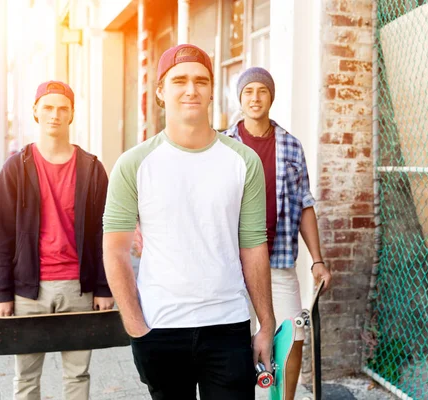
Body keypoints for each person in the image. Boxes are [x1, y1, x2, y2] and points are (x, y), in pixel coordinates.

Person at [102, 44, 275, 400]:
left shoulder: (244, 161)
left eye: (201, 80)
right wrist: (136, 328)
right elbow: (115, 251)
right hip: (160, 328)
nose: (191, 89)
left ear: (213, 90)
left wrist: (266, 324)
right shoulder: (133, 163)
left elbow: (254, 246)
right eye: (179, 80)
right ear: (162, 92)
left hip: (228, 325)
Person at [0, 80, 114, 400]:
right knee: (27, 377)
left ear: (72, 114)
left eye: (62, 108)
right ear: (35, 111)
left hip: (78, 288)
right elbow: (1, 234)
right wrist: (2, 292)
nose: (54, 115)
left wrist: (104, 287)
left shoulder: (92, 168)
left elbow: (105, 233)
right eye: (47, 107)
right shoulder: (16, 168)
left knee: (77, 374)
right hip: (29, 291)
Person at [224, 67, 332, 400]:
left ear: (271, 96)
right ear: (240, 98)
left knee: (292, 336)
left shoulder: (289, 145)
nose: (255, 98)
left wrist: (318, 260)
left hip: (280, 260)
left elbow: (305, 205)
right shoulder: (225, 145)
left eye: (261, 91)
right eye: (248, 92)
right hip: (234, 264)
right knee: (235, 341)